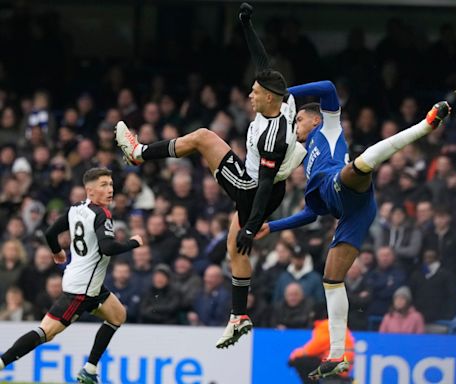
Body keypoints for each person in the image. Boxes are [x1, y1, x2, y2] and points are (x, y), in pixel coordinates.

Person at [115, 2, 306, 348]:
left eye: (255, 93)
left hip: (252, 188)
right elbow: (264, 62)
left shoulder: (272, 137)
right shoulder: (285, 99)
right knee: (236, 251)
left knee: (203, 138)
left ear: (269, 98)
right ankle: (238, 316)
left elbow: (262, 185)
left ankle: (139, 153)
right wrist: (247, 25)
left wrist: (251, 224)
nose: (250, 95)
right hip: (263, 184)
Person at [257, 79, 450, 378]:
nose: (296, 126)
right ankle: (337, 356)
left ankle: (425, 126)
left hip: (344, 187)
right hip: (352, 214)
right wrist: (272, 226)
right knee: (331, 278)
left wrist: (285, 93)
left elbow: (329, 88)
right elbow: (311, 213)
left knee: (359, 166)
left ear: (316, 118)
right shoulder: (308, 159)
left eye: (299, 119)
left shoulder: (329, 127)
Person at [0, 168, 143, 384]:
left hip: (88, 284)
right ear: (90, 190)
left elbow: (50, 233)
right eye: (104, 185)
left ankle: (90, 369)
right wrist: (134, 242)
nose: (110, 189)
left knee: (117, 316)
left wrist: (57, 251)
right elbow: (108, 247)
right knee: (46, 333)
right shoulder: (102, 214)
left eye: (111, 184)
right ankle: (2, 362)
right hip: (81, 290)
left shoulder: (75, 209)